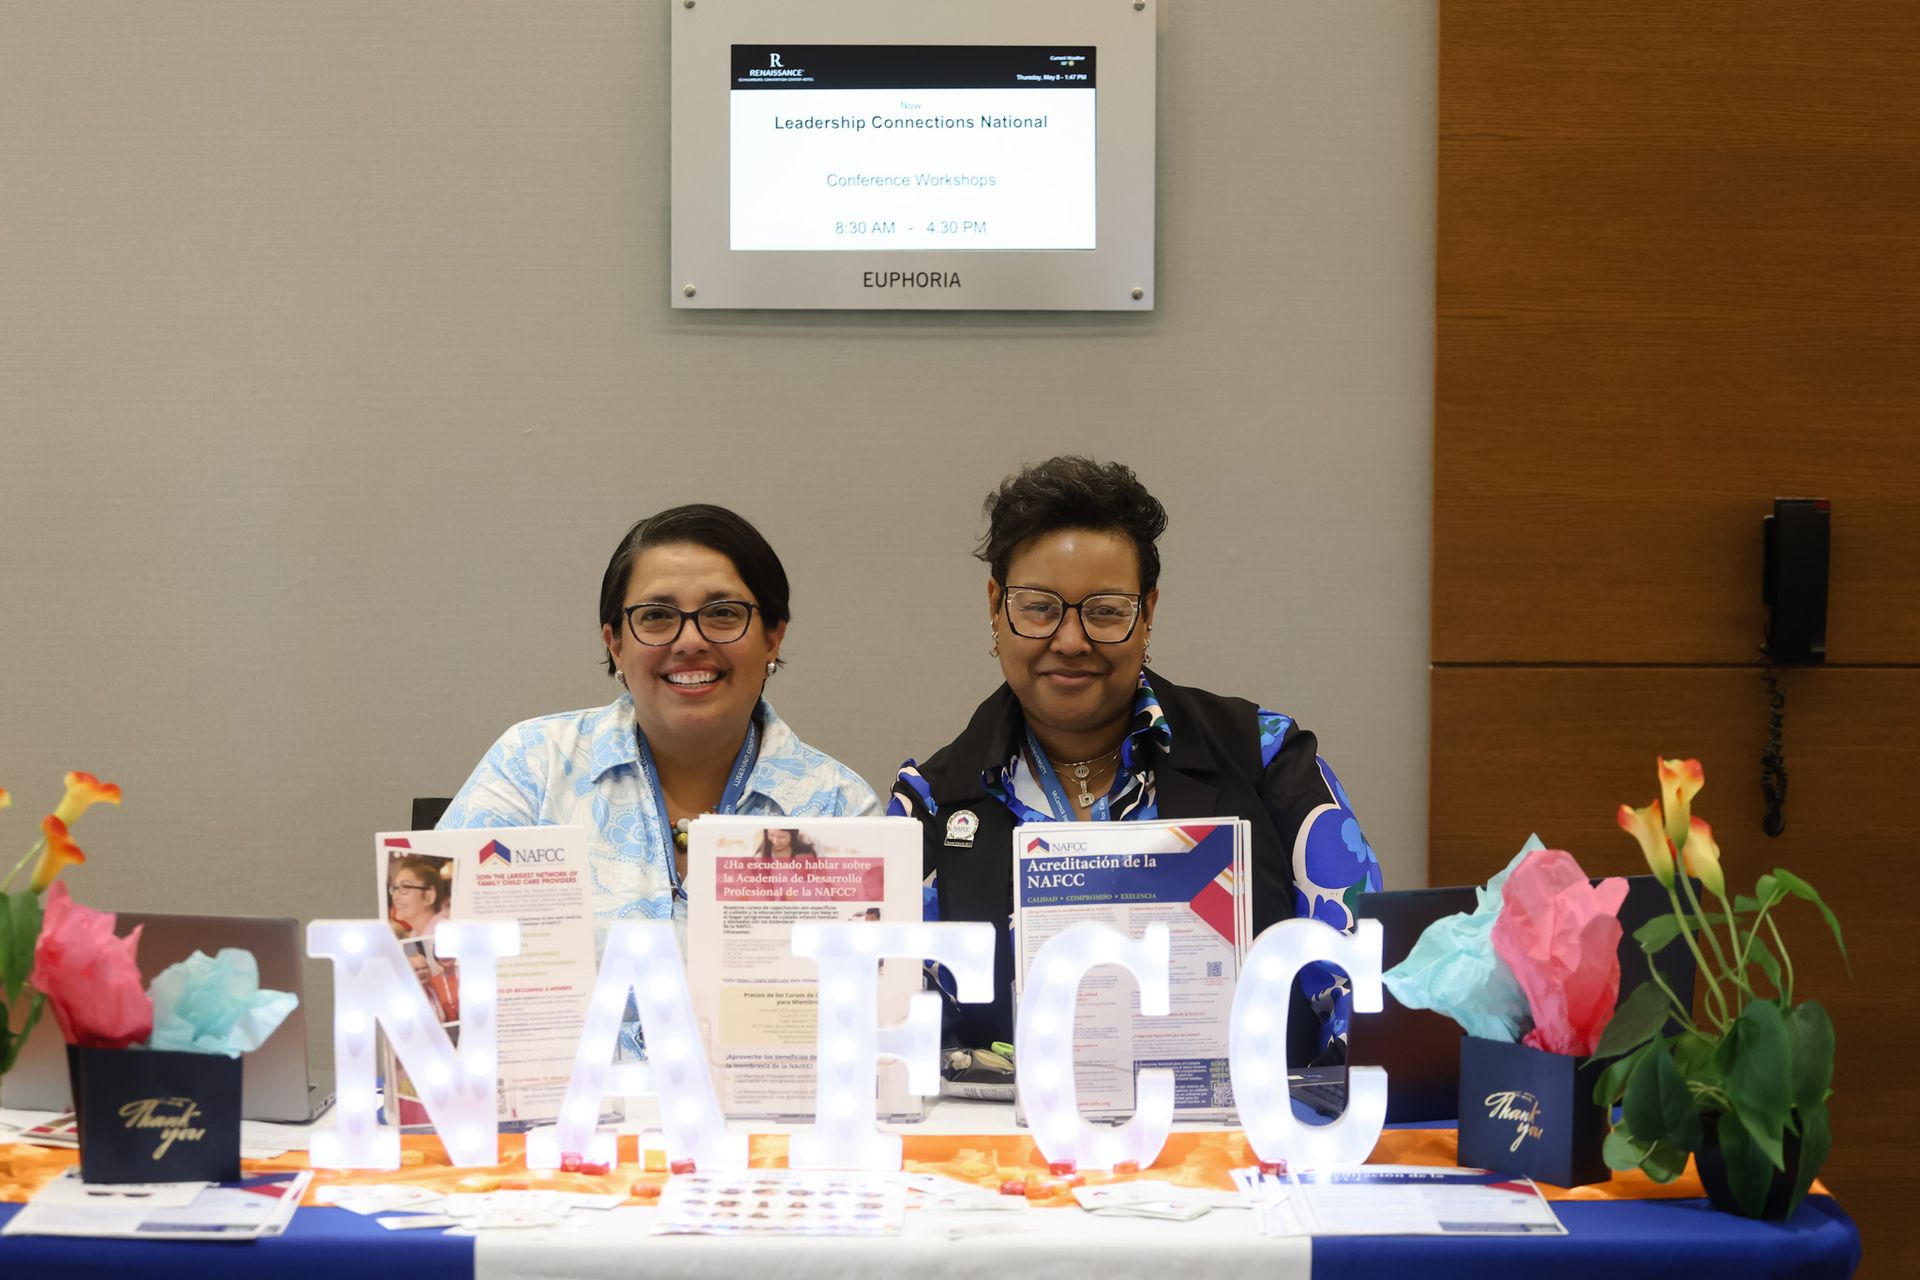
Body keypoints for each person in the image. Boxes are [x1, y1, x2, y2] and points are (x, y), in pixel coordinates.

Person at [889, 456, 1383, 1060]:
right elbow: (895, 1032)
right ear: (996, 606)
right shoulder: (931, 803)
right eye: (1039, 607)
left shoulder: (1265, 756)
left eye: (1104, 611)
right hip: (1010, 1148)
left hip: (1244, 1138)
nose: (1070, 642)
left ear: (1147, 613)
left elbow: (1361, 983)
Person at [440, 504, 881, 955]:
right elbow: (438, 970)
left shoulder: (838, 807)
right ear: (615, 644)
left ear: (772, 637)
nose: (690, 641)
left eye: (723, 613)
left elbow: (874, 1007)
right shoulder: (531, 766)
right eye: (656, 616)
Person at [387, 855, 451, 942]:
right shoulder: (417, 934)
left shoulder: (444, 936)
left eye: (405, 887)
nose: (395, 896)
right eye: (395, 888)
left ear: (429, 896)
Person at [755, 827, 819, 860]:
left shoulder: (808, 848)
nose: (775, 841)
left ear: (793, 835)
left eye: (781, 837)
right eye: (771, 834)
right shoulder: (760, 857)